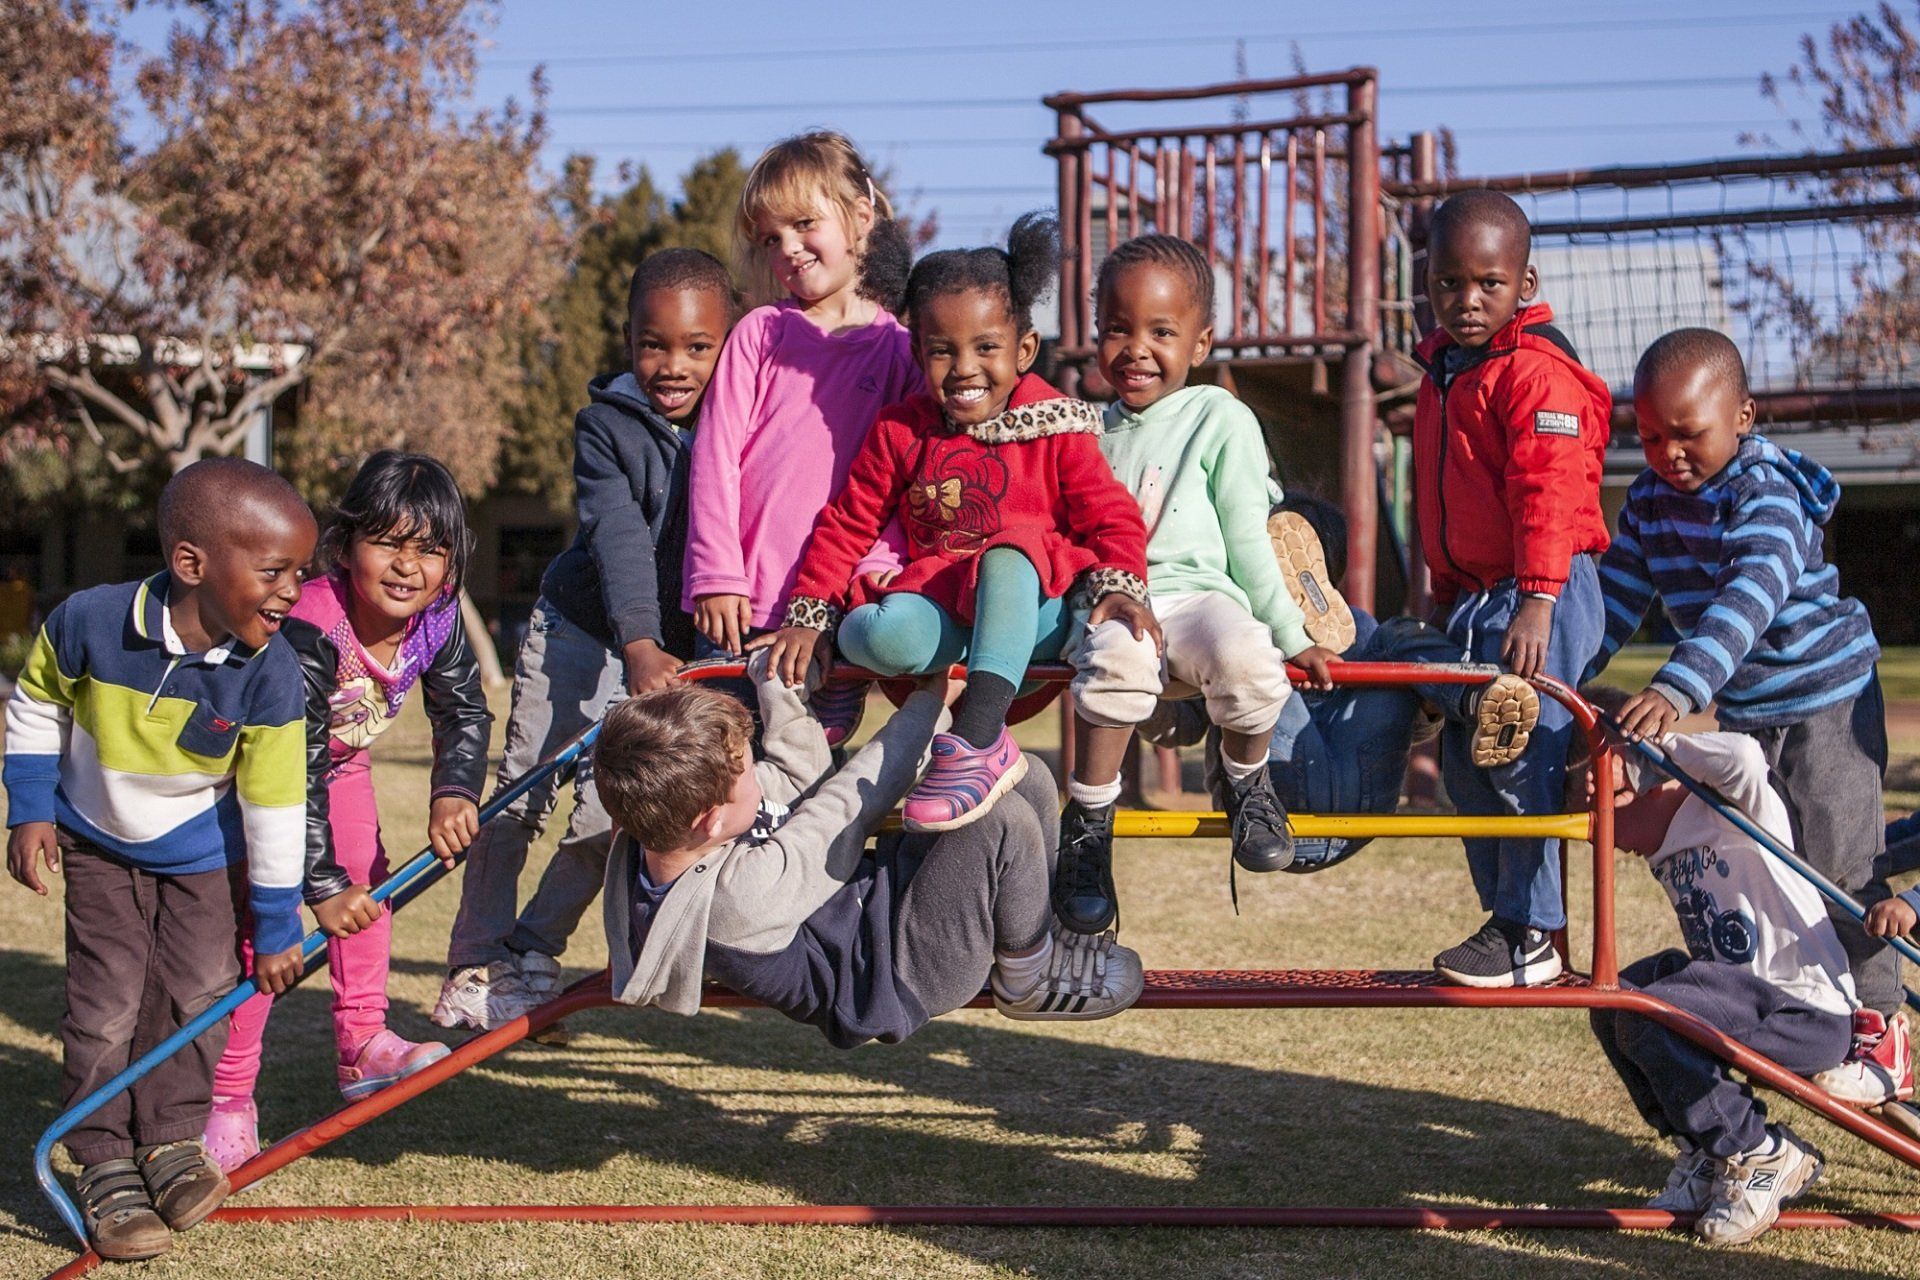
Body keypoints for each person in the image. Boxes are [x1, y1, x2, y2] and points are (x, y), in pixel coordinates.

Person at [3, 460, 348, 1261]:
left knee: (198, 992)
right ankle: (101, 1157)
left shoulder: (272, 675)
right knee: (108, 1001)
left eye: (299, 573)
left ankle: (168, 1139)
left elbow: (273, 806)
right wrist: (28, 810)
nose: (292, 591)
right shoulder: (88, 622)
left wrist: (273, 925)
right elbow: (35, 705)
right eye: (273, 572)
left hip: (204, 851)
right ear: (193, 564)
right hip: (95, 839)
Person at [761, 213, 1158, 862]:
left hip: (1033, 621)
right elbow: (848, 521)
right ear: (917, 353)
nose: (963, 367)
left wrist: (1121, 586)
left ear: (1023, 350)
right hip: (948, 615)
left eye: (985, 347)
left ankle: (978, 741)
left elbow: (1111, 514)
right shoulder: (902, 430)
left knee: (1010, 549)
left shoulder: (1054, 425)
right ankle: (858, 671)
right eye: (941, 350)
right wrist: (813, 613)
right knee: (875, 630)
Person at [1590, 327, 1908, 1108]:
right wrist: (1558, 674)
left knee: (1840, 867)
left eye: (1689, 434)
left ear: (1744, 417)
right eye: (1652, 435)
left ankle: (1885, 1029)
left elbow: (1748, 599)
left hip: (1826, 702)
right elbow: (1612, 603)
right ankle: (1792, 1001)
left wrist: (1676, 689)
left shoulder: (1766, 495)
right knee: (1774, 864)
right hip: (1752, 713)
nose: (1670, 454)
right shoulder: (1651, 505)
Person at [435, 249, 736, 1036]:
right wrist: (638, 642)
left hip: (672, 652)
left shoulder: (738, 421)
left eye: (697, 347)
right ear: (628, 337)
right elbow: (620, 537)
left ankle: (532, 956)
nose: (673, 365)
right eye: (653, 344)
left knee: (617, 811)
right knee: (522, 790)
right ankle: (474, 965)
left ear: (729, 341)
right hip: (586, 626)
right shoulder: (605, 425)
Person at [600, 652, 1145, 1042]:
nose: (758, 776)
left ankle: (1042, 937)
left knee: (1027, 779)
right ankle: (1029, 976)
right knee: (997, 817)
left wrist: (775, 681)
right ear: (711, 819)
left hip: (888, 904)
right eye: (747, 774)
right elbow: (841, 811)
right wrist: (929, 704)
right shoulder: (737, 899)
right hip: (902, 970)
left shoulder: (673, 828)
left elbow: (797, 775)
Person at [202, 452, 492, 1171]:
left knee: (373, 880)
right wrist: (320, 887)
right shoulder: (309, 631)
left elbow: (463, 711)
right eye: (388, 542)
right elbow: (288, 770)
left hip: (340, 763)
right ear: (344, 546)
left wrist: (454, 788)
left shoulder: (440, 617)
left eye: (429, 549)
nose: (407, 566)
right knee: (264, 932)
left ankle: (363, 1044)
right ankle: (228, 1099)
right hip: (257, 774)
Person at [1084, 232, 1340, 921]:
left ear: (1200, 344)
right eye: (1117, 329)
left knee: (1248, 659)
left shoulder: (1218, 416)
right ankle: (1087, 829)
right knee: (1111, 662)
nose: (1137, 348)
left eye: (1161, 331)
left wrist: (1291, 636)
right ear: (1095, 333)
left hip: (1200, 599)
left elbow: (1248, 537)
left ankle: (1245, 780)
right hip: (1120, 600)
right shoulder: (1085, 432)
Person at [1411, 190, 1611, 988]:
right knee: (1468, 760)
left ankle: (1536, 933)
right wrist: (1444, 588)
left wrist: (1539, 595)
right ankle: (1505, 922)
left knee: (1522, 756)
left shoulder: (1533, 373)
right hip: (1477, 595)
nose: (1467, 301)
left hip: (1543, 590)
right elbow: (1444, 494)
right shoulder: (1446, 372)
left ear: (1524, 285)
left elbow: (1550, 491)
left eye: (1487, 284)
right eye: (1448, 283)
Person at [1583, 692, 1853, 1247]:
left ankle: (1761, 1151)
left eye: (1595, 810)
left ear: (1633, 784)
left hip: (1803, 1008)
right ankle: (1704, 1146)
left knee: (1649, 1015)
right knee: (1615, 999)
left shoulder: (1727, 803)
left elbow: (1746, 757)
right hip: (1741, 1001)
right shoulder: (1662, 846)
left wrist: (1642, 751)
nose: (1596, 832)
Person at [1146, 493, 1535, 874]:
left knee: (1391, 637)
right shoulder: (1231, 636)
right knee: (1249, 654)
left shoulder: (1360, 630)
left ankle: (1473, 696)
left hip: (1359, 800)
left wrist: (1428, 705)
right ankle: (1463, 689)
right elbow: (1183, 722)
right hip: (1270, 817)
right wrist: (1137, 688)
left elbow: (1411, 727)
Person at [681, 130, 922, 743]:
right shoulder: (761, 334)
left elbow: (906, 489)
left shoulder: (903, 353)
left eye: (803, 223)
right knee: (720, 777)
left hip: (834, 623)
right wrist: (716, 574)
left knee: (806, 781)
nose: (787, 248)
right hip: (739, 612)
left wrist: (866, 584)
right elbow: (715, 459)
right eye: (770, 238)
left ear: (861, 217)